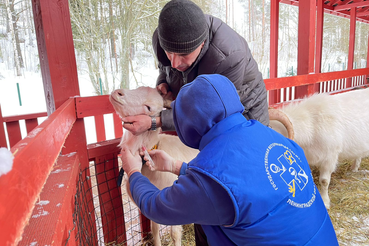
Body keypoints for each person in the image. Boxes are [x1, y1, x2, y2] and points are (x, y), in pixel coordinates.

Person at [120, 74, 339, 246]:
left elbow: (157, 207)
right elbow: (239, 184)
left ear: (188, 124)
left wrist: (133, 172)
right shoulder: (271, 137)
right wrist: (179, 167)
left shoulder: (213, 174)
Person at [122, 0, 269, 136]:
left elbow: (212, 111)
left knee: (243, 150)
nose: (174, 63)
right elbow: (165, 68)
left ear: (202, 43)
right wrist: (164, 84)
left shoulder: (229, 55)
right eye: (169, 53)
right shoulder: (162, 38)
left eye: (184, 54)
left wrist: (155, 122)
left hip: (244, 107)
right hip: (198, 105)